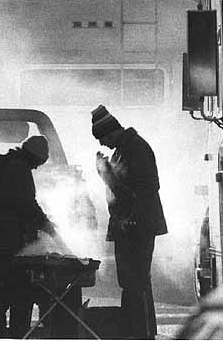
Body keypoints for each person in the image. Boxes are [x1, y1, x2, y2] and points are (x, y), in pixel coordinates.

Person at [91, 104, 168, 339]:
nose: (102, 143)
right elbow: (125, 190)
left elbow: (147, 188)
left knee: (136, 282)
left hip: (136, 226)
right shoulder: (125, 149)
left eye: (102, 137)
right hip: (129, 225)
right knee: (132, 282)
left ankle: (139, 332)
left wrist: (132, 218)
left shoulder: (135, 149)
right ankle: (135, 330)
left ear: (111, 131)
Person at [0, 135, 61, 338]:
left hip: (0, 232)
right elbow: (28, 204)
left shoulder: (8, 163)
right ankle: (19, 336)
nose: (36, 168)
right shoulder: (20, 168)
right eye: (37, 163)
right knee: (21, 291)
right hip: (15, 235)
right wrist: (48, 227)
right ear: (33, 157)